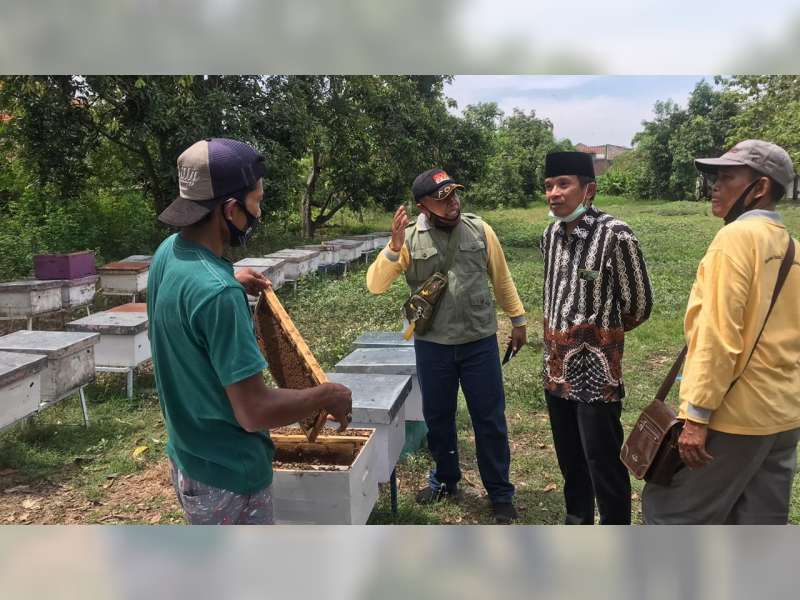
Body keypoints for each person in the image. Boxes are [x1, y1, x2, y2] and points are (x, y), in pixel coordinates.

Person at [148, 137, 352, 525]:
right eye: (255, 201)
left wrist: (228, 275)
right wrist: (326, 394)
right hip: (231, 476)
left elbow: (191, 294)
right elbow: (253, 411)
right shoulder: (218, 295)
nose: (259, 212)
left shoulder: (168, 253)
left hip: (189, 459)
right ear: (229, 209)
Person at [643, 140, 800, 524]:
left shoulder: (735, 240)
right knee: (757, 524)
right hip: (783, 417)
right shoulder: (792, 247)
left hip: (733, 417)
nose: (714, 185)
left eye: (727, 176)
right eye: (714, 176)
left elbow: (717, 334)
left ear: (760, 188)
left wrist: (696, 417)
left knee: (671, 515)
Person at [366, 168, 527, 524]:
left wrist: (517, 319)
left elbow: (501, 278)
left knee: (490, 420)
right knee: (438, 418)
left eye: (454, 195)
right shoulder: (408, 239)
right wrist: (393, 249)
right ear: (423, 205)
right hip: (433, 345)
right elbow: (376, 285)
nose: (452, 203)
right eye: (442, 199)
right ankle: (446, 479)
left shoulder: (480, 230)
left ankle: (500, 492)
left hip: (478, 341)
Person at [540, 151, 653, 524]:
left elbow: (638, 305)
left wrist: (601, 338)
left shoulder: (614, 235)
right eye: (549, 186)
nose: (554, 194)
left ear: (589, 189)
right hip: (555, 371)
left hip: (596, 375)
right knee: (570, 460)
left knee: (602, 461)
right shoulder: (550, 235)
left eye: (563, 184)